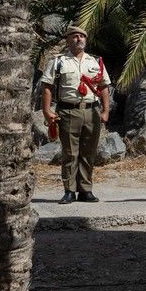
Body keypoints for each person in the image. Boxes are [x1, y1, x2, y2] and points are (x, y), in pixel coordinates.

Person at [41, 25, 111, 204]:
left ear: (86, 40)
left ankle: (86, 190)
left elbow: (103, 86)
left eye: (82, 36)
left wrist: (105, 110)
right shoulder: (58, 62)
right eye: (75, 36)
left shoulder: (95, 62)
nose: (79, 39)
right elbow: (47, 87)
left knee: (89, 152)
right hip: (68, 111)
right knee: (70, 153)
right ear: (68, 40)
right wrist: (47, 111)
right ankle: (69, 190)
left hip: (91, 111)